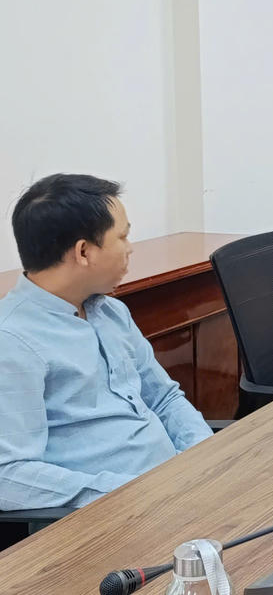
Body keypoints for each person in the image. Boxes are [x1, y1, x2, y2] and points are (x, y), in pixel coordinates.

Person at [0, 175, 212, 511]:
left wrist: (206, 457)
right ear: (84, 252)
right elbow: (8, 476)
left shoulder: (111, 311)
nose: (130, 248)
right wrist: (130, 493)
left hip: (177, 489)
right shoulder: (12, 341)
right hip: (114, 513)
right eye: (123, 236)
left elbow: (163, 397)